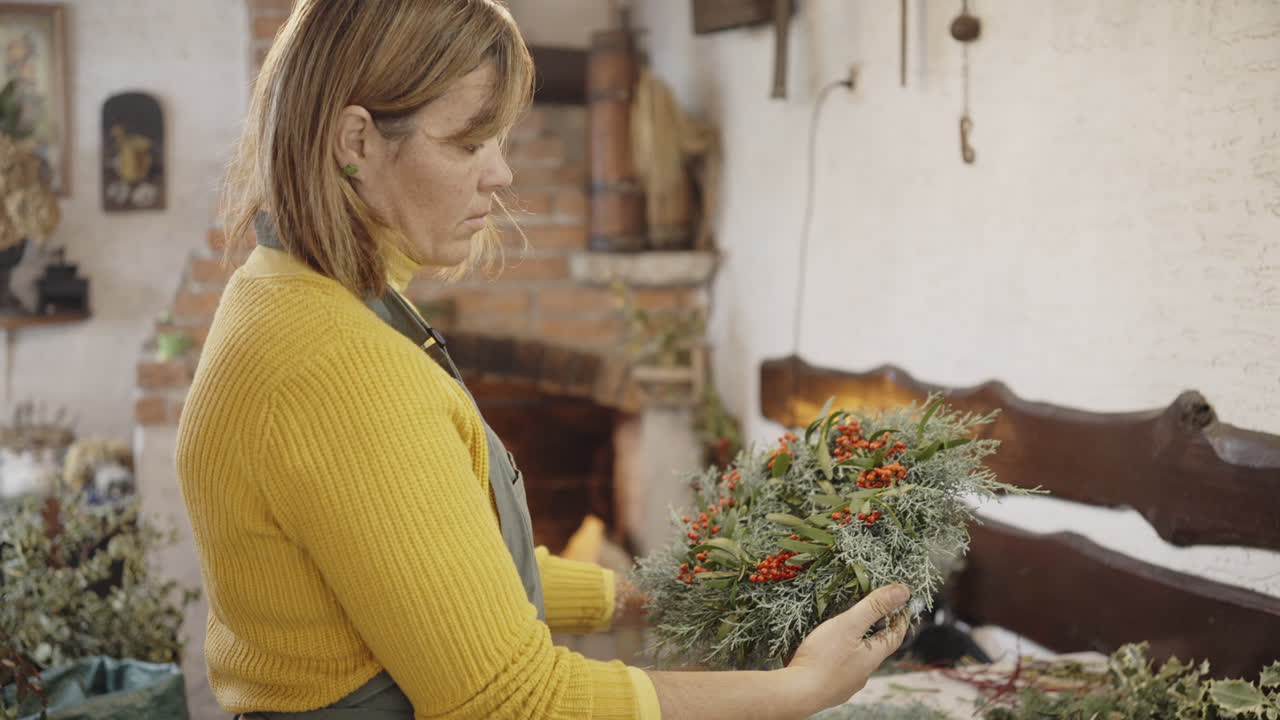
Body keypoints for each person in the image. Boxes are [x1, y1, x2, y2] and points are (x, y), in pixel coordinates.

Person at [177, 1, 909, 718]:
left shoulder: (285, 293)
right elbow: (511, 700)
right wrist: (798, 690)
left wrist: (644, 590)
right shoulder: (339, 369)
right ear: (356, 142)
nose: (499, 173)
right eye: (467, 143)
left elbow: (440, 573)